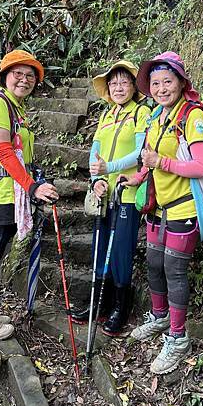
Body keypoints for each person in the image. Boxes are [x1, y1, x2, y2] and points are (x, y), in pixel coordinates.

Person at [121, 51, 203, 374]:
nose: (161, 88)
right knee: (154, 264)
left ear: (181, 82)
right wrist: (134, 178)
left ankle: (178, 338)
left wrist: (163, 163)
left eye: (167, 81)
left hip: (184, 207)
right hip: (157, 207)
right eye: (155, 83)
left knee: (175, 271)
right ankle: (159, 317)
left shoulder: (193, 117)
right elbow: (148, 160)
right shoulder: (157, 117)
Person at [0, 50, 59, 341]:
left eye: (30, 76)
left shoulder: (14, 107)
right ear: (4, 76)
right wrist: (32, 187)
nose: (25, 79)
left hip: (8, 192)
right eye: (18, 73)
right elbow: (3, 151)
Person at [71, 61, 151, 336]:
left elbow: (141, 152)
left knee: (120, 251)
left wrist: (111, 169)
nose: (118, 87)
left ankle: (120, 307)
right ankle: (99, 303)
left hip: (127, 192)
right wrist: (97, 179)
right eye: (114, 83)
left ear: (134, 87)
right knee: (100, 245)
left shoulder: (141, 112)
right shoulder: (107, 115)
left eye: (124, 82)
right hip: (104, 192)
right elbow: (95, 152)